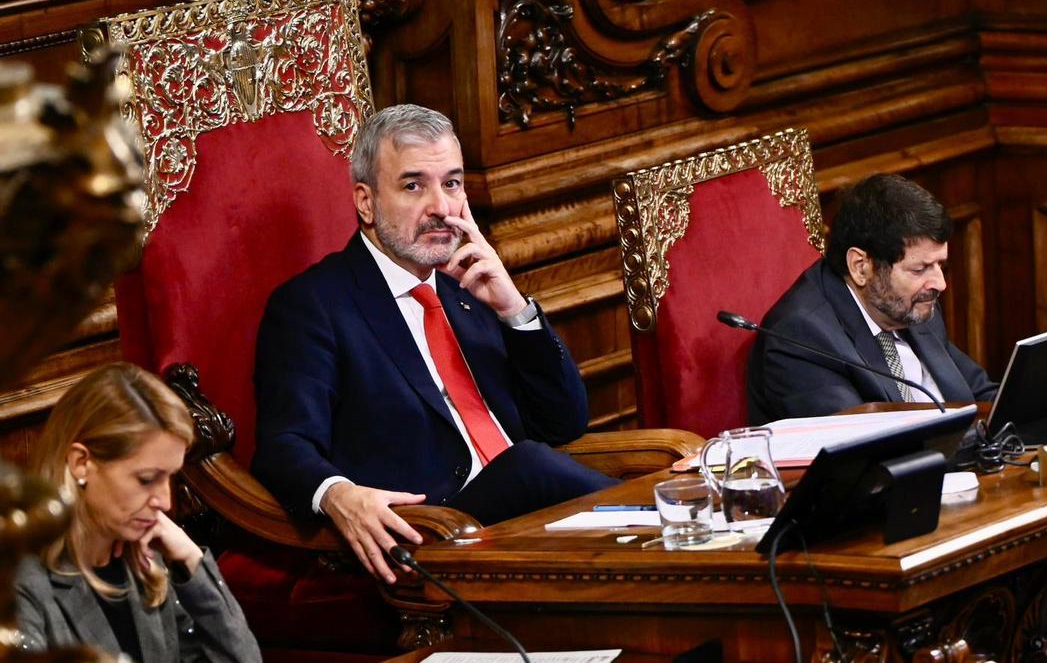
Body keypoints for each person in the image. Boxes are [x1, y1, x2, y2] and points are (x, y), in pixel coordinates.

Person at [252, 104, 617, 584]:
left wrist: (513, 309)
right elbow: (283, 443)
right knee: (528, 463)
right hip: (432, 532)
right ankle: (667, 516)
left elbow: (564, 422)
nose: (441, 208)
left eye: (451, 183)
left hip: (531, 528)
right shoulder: (313, 305)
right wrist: (338, 493)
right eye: (413, 186)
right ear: (366, 202)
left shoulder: (467, 286)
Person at [747, 173, 1047, 423]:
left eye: (940, 265)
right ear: (861, 266)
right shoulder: (801, 338)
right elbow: (865, 449)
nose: (940, 284)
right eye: (920, 269)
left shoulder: (910, 302)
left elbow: (982, 395)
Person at [15, 363, 261, 662]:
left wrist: (192, 560)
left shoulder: (148, 560)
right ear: (81, 463)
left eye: (169, 478)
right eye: (146, 479)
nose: (165, 502)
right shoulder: (20, 584)